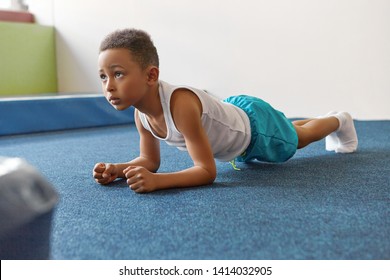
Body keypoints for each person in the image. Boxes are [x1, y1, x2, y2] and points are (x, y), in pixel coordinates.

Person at [93, 28, 358, 193]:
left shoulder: (180, 105)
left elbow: (206, 171)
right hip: (235, 119)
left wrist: (157, 182)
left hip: (254, 131)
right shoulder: (142, 116)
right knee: (290, 129)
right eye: (104, 77)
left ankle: (338, 120)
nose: (109, 87)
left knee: (298, 139)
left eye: (118, 74)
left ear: (151, 76)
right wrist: (118, 169)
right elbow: (149, 161)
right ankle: (324, 118)